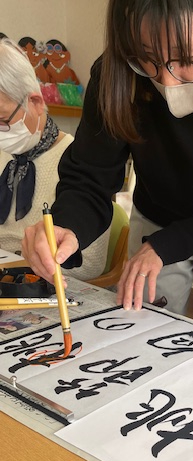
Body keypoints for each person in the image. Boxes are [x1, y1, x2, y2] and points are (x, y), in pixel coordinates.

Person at [21, 0, 193, 314]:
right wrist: (67, 226)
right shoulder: (117, 70)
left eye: (189, 60)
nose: (168, 82)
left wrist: (168, 244)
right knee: (142, 318)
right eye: (148, 59)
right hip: (157, 213)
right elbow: (90, 174)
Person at [0, 38, 109, 280]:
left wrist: (22, 265)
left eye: (2, 120)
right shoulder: (2, 156)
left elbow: (90, 263)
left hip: (46, 285)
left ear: (36, 102)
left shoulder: (80, 166)